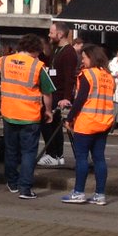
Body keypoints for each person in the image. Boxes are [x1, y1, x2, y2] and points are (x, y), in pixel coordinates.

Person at [0, 33, 54, 199]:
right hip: (29, 115)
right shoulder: (37, 66)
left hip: (9, 113)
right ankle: (25, 189)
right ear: (36, 50)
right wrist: (48, 111)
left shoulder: (4, 61)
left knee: (11, 150)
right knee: (29, 153)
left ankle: (12, 183)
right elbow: (47, 93)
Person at [61, 45, 116, 205]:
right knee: (99, 159)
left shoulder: (88, 74)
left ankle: (78, 192)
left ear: (92, 57)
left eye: (84, 58)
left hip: (86, 123)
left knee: (81, 158)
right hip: (104, 122)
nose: (82, 61)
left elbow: (80, 100)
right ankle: (100, 194)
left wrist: (69, 118)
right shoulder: (108, 76)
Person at [39, 21, 77, 167]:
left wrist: (66, 98)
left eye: (51, 32)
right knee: (53, 125)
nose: (49, 35)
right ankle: (58, 154)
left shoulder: (68, 52)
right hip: (53, 91)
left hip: (59, 94)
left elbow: (69, 77)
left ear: (60, 34)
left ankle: (53, 153)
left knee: (48, 122)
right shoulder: (56, 50)